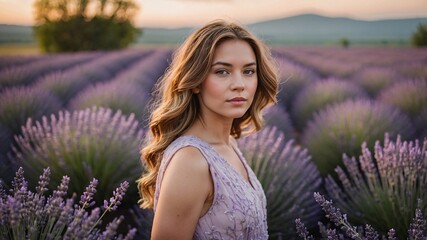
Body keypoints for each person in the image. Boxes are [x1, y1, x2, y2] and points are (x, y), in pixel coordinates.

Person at [137, 19, 278, 239]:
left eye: (249, 71)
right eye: (222, 72)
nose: (239, 84)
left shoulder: (228, 143)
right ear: (194, 81)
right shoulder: (190, 161)